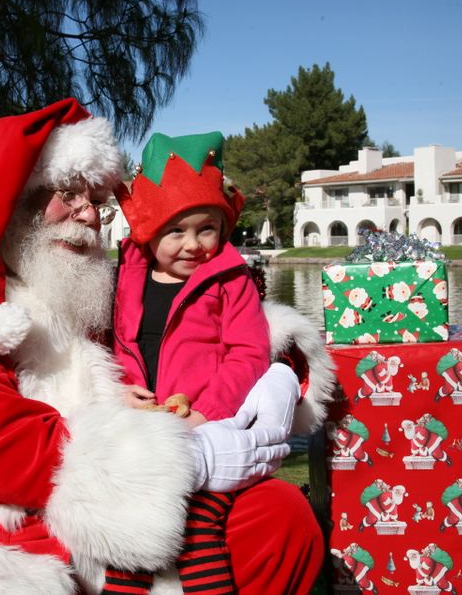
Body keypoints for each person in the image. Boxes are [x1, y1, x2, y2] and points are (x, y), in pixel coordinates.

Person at [0, 99, 333, 594]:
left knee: (279, 518)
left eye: (96, 201)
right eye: (68, 194)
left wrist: (279, 363)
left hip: (112, 490)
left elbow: (185, 335)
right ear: (8, 200)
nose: (88, 214)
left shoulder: (79, 283)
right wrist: (186, 459)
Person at [109, 130, 302, 594]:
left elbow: (248, 353)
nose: (193, 244)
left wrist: (206, 413)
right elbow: (116, 347)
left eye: (206, 229)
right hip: (144, 429)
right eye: (176, 231)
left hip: (210, 433)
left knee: (198, 530)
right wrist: (119, 392)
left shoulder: (230, 280)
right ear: (149, 230)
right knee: (126, 532)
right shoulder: (126, 278)